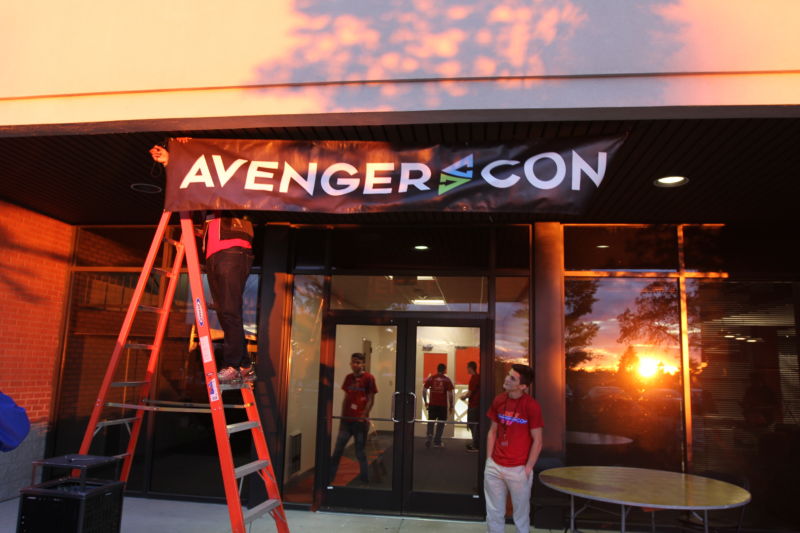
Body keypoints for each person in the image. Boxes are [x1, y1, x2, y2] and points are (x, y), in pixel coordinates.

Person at [150, 143, 255, 384]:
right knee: (225, 311)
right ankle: (244, 364)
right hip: (216, 255)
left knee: (229, 310)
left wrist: (174, 159)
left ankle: (234, 364)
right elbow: (189, 184)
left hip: (233, 251)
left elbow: (202, 178)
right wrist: (169, 163)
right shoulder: (207, 208)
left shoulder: (234, 190)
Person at [484, 364, 543, 533]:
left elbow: (538, 441)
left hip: (518, 469)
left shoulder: (531, 406)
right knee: (494, 513)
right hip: (495, 466)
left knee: (521, 515)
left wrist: (528, 469)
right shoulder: (498, 400)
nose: (506, 379)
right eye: (508, 375)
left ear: (522, 386)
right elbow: (492, 431)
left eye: (512, 378)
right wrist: (489, 461)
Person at [330, 352, 378, 484]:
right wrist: (342, 416)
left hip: (360, 422)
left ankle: (364, 479)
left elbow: (370, 399)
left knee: (359, 452)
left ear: (363, 364)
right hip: (346, 421)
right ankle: (329, 479)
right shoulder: (348, 378)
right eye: (353, 362)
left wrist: (363, 416)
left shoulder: (369, 378)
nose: (355, 365)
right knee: (338, 450)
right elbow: (346, 398)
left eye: (358, 362)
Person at [423, 363, 454, 448]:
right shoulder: (447, 380)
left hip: (432, 405)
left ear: (437, 369)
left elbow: (424, 390)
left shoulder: (431, 378)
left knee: (431, 422)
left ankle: (429, 437)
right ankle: (437, 442)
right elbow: (450, 394)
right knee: (440, 424)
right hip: (442, 406)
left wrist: (425, 401)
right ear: (444, 370)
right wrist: (451, 405)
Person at [460, 360, 480, 452]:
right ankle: (475, 443)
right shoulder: (478, 377)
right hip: (477, 405)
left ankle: (475, 445)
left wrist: (463, 397)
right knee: (475, 425)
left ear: (470, 368)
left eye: (467, 367)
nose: (466, 369)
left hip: (474, 405)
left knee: (473, 425)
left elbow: (470, 393)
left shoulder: (474, 378)